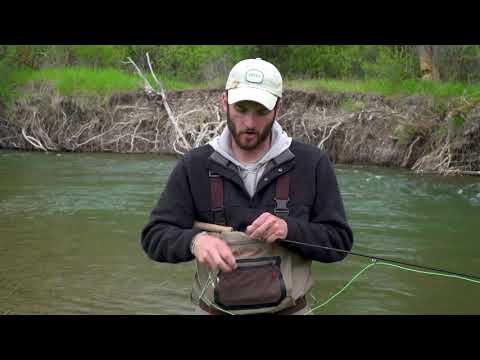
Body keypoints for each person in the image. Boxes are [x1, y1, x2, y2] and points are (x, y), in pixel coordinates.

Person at [141, 58, 353, 315]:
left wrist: (289, 229)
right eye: (241, 109)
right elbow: (154, 237)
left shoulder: (312, 163)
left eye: (261, 111)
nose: (250, 123)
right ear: (224, 102)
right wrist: (195, 242)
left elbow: (339, 242)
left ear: (278, 108)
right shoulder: (193, 166)